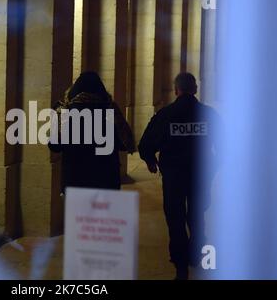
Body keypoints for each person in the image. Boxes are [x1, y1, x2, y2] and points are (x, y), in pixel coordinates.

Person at [138, 72, 220, 280]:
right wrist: (215, 166)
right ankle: (198, 256)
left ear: (176, 90)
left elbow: (146, 143)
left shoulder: (166, 115)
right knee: (197, 216)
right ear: (195, 90)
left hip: (174, 177)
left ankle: (181, 267)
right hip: (200, 175)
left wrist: (150, 161)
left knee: (175, 219)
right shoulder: (209, 115)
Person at [49, 71, 135, 192]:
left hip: (75, 180)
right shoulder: (111, 110)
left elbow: (54, 146)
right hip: (106, 180)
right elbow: (124, 144)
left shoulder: (63, 112)